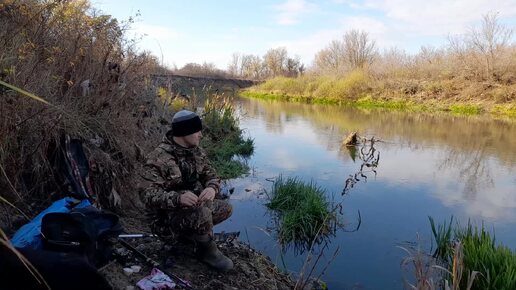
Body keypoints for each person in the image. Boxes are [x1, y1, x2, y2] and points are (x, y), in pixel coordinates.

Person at [140, 110, 233, 271]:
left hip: (191, 210)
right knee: (203, 214)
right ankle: (206, 251)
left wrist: (212, 188)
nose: (200, 135)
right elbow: (146, 195)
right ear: (184, 132)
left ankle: (192, 237)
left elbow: (212, 175)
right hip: (165, 219)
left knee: (226, 208)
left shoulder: (196, 152)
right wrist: (177, 198)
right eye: (197, 130)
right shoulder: (158, 158)